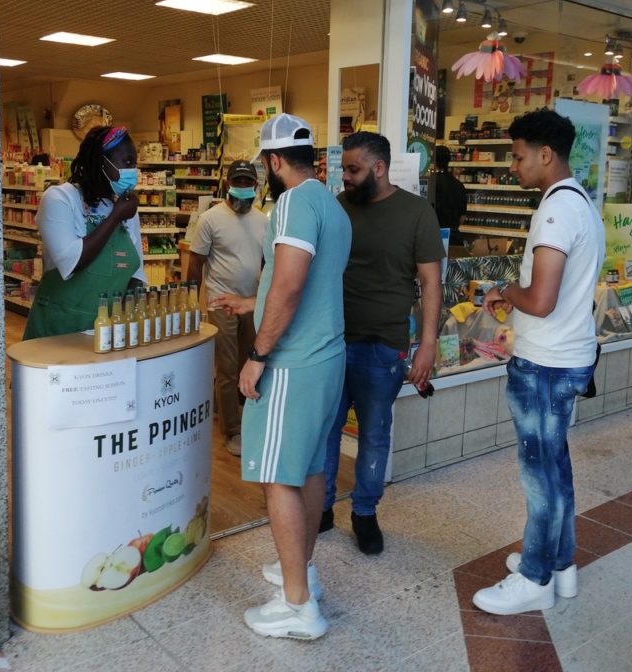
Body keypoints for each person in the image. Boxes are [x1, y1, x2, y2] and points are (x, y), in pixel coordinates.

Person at [208, 113, 351, 640]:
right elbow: (304, 283)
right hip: (327, 355)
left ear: (272, 162)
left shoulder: (290, 204)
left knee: (277, 478)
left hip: (292, 362)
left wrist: (258, 353)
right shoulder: (330, 204)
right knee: (309, 469)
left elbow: (289, 285)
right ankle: (302, 572)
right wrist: (252, 303)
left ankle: (297, 607)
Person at [471, 108, 604, 615]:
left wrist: (506, 290)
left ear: (546, 154)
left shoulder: (555, 211)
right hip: (567, 357)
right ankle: (559, 562)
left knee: (539, 475)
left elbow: (541, 300)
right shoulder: (580, 202)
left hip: (546, 364)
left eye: (518, 156)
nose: (513, 167)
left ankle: (534, 578)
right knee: (556, 467)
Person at [321, 131, 444, 554]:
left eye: (353, 169)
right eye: (344, 169)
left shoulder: (416, 212)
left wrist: (428, 343)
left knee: (374, 434)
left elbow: (431, 282)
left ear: (379, 168)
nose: (345, 177)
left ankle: (364, 513)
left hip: (383, 345)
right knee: (327, 429)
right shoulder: (338, 208)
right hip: (332, 340)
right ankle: (321, 506)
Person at [23, 125, 145, 340]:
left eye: (134, 164)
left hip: (104, 331)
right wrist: (115, 217)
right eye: (127, 163)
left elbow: (135, 274)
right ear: (100, 162)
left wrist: (130, 324)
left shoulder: (124, 208)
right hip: (57, 331)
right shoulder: (60, 199)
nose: (132, 172)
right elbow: (71, 262)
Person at [187, 160, 268, 456]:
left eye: (248, 183)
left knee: (250, 363)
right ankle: (232, 430)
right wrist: (189, 302)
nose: (243, 187)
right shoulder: (210, 219)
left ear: (256, 186)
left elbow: (266, 263)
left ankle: (243, 417)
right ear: (227, 184)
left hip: (252, 304)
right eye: (238, 182)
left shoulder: (263, 221)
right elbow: (196, 263)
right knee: (227, 367)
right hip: (220, 303)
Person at [431, 144, 469, 246]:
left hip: (433, 239)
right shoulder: (459, 185)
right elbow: (462, 218)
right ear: (449, 160)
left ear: (433, 160)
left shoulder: (430, 183)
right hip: (454, 240)